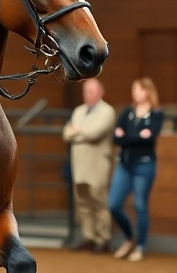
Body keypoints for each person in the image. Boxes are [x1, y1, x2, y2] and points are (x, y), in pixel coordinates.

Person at [109, 78, 164, 262]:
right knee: (114, 204)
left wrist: (127, 136)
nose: (134, 93)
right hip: (124, 164)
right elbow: (116, 139)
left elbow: (149, 139)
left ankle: (140, 246)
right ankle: (129, 238)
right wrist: (138, 136)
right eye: (134, 90)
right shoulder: (127, 113)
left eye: (138, 90)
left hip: (144, 165)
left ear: (148, 91)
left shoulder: (156, 114)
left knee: (140, 205)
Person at [63, 78, 116, 253]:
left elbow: (95, 133)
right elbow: (66, 133)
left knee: (98, 202)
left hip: (97, 165)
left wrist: (77, 131)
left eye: (92, 91)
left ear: (101, 92)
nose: (88, 94)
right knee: (82, 203)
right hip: (79, 166)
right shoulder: (78, 111)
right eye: (86, 91)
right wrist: (78, 131)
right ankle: (89, 237)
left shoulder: (107, 112)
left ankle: (103, 239)